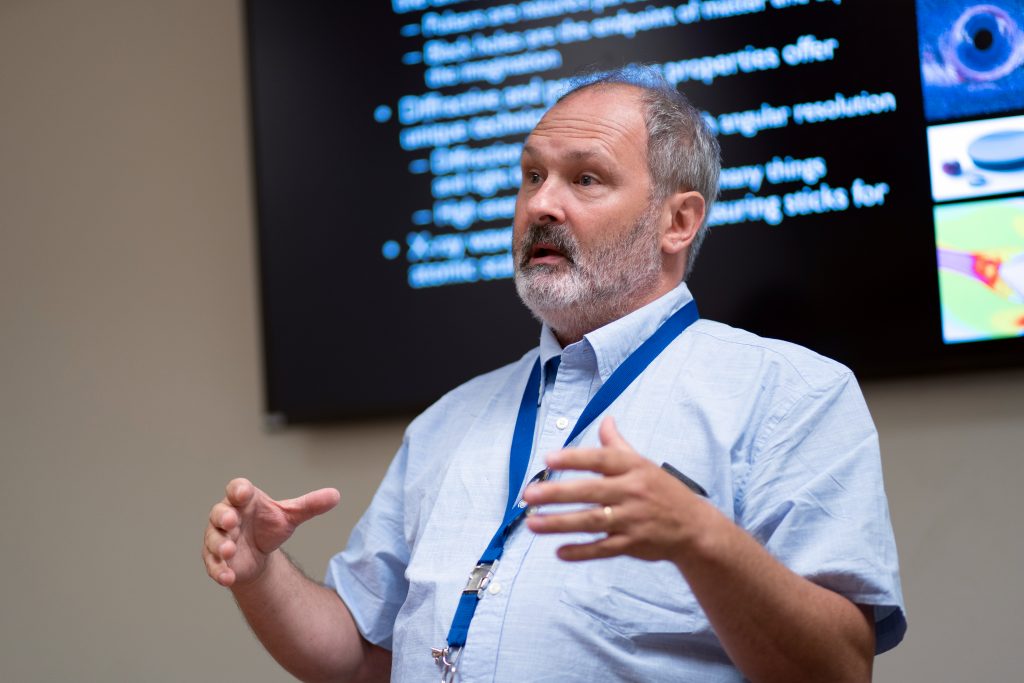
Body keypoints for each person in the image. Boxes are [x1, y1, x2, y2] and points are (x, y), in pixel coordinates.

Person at [202, 66, 906, 682]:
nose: (540, 204)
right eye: (532, 175)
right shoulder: (448, 421)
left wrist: (703, 539)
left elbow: (839, 667)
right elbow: (356, 654)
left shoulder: (791, 394)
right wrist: (262, 572)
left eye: (585, 178)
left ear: (678, 221)